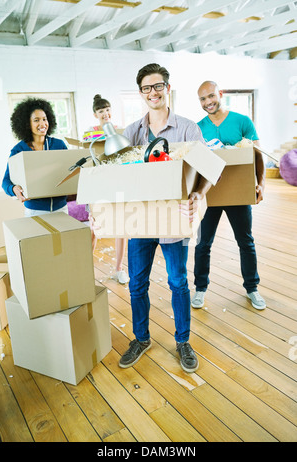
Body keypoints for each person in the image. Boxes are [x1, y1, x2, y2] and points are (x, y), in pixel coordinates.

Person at [118, 63, 212, 373]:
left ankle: (183, 341)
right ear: (141, 93)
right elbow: (108, 173)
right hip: (140, 219)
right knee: (137, 285)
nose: (153, 92)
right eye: (146, 88)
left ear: (167, 88)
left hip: (173, 219)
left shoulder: (187, 128)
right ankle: (141, 338)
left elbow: (208, 168)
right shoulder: (132, 132)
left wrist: (199, 193)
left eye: (158, 86)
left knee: (178, 282)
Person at [192, 80, 266, 311]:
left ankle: (252, 288)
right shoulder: (198, 128)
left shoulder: (242, 121)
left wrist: (261, 184)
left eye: (211, 96)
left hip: (238, 193)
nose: (208, 102)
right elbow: (194, 165)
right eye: (203, 99)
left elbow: (257, 155)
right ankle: (200, 288)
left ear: (220, 94)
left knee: (246, 241)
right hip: (210, 194)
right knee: (203, 243)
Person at [2, 97, 68, 216]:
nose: (42, 124)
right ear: (27, 124)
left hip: (61, 208)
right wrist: (13, 189)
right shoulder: (19, 150)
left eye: (44, 119)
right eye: (36, 120)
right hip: (35, 210)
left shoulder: (59, 145)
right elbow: (5, 181)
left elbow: (70, 171)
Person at [88, 94, 129, 285]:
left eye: (106, 110)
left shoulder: (119, 131)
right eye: (100, 111)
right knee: (94, 227)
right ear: (95, 114)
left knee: (122, 228)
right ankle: (86, 268)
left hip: (119, 183)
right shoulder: (91, 134)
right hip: (98, 185)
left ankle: (119, 269)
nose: (104, 114)